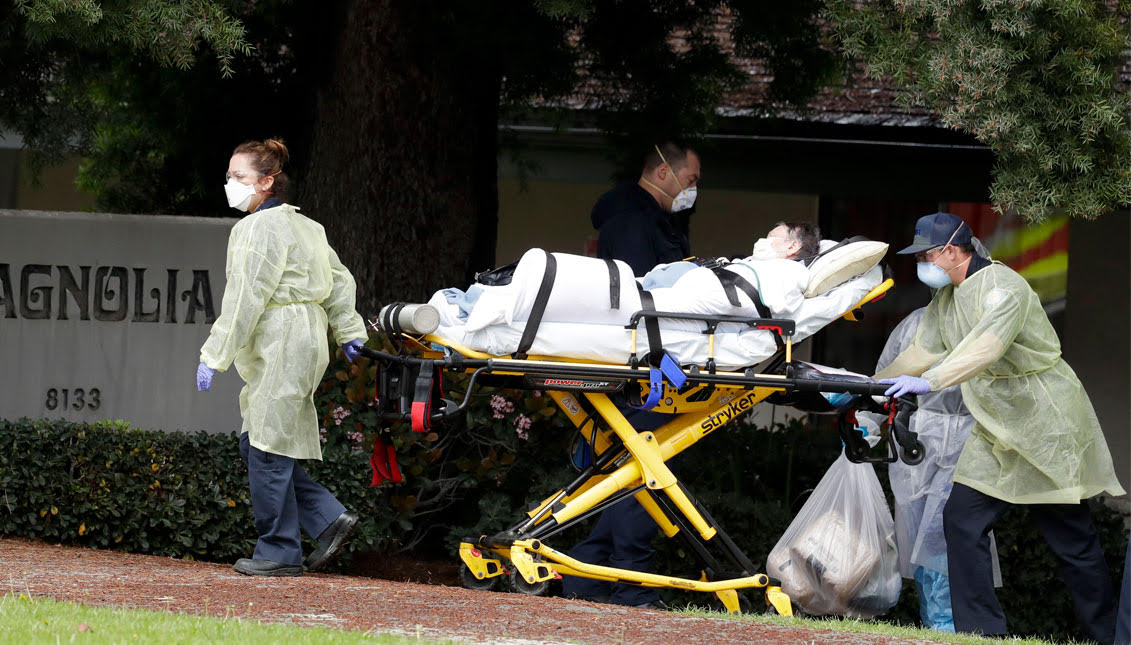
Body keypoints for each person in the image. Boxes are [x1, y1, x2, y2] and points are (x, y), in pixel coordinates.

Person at [876, 211, 1125, 642]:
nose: (923, 264)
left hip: (1044, 425)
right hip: (997, 428)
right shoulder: (948, 297)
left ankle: (1107, 636)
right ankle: (981, 634)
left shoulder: (1003, 287)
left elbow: (986, 349)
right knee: (962, 519)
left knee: (1071, 539)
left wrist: (930, 381)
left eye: (928, 254)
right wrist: (869, 388)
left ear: (952, 251)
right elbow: (922, 350)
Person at [195, 138, 369, 577]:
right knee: (258, 439)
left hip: (282, 338)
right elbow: (340, 280)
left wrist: (214, 354)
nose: (230, 184)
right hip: (307, 338)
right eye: (229, 175)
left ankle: (278, 550)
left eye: (239, 177)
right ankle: (327, 518)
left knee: (266, 443)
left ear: (267, 181)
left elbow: (245, 297)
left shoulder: (255, 229)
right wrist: (346, 329)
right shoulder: (307, 227)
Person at [592, 142, 701, 277]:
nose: (694, 189)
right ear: (663, 172)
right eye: (690, 180)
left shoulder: (663, 221)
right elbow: (638, 289)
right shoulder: (630, 223)